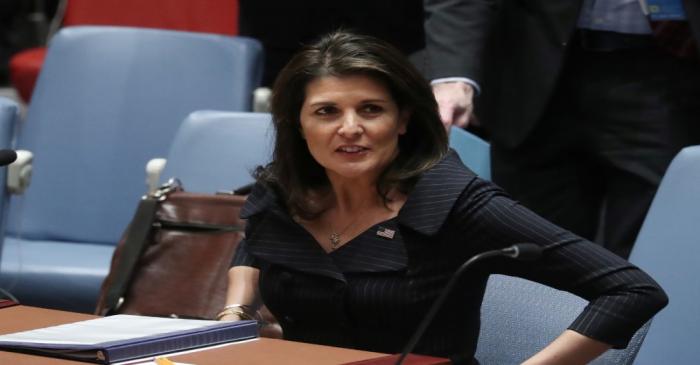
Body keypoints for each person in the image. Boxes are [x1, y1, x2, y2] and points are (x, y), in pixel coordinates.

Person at [219, 31, 667, 364]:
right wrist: (236, 308)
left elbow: (631, 290)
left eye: (371, 110)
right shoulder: (282, 190)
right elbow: (256, 239)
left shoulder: (453, 202)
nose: (350, 127)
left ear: (403, 120)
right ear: (298, 125)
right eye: (326, 112)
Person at [423, 0, 700, 258]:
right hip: (534, 76)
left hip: (668, 71)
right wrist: (453, 74)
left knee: (655, 253)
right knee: (535, 257)